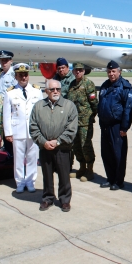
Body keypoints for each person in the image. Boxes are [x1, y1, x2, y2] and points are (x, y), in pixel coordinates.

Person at [29, 79, 78, 212]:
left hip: (62, 148)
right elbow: (33, 127)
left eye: (58, 89)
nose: (55, 91)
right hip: (45, 148)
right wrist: (43, 142)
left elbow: (72, 128)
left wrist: (58, 141)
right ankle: (47, 198)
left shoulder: (69, 106)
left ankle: (65, 200)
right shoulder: (39, 106)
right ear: (46, 91)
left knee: (64, 176)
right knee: (47, 175)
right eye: (52, 89)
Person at [3, 63, 43, 193]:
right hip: (17, 130)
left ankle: (31, 181)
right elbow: (6, 115)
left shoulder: (37, 91)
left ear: (28, 75)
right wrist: (8, 132)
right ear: (16, 76)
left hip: (33, 131)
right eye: (20, 75)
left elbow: (40, 113)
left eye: (25, 75)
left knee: (32, 157)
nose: (23, 77)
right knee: (18, 158)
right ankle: (20, 182)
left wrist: (41, 130)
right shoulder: (10, 93)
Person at [98, 60, 132, 190]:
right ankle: (110, 178)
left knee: (118, 154)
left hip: (117, 126)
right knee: (106, 154)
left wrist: (125, 127)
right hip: (105, 126)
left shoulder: (125, 87)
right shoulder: (104, 86)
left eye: (113, 71)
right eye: (109, 72)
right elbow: (101, 105)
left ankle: (119, 181)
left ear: (119, 72)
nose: (111, 74)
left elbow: (129, 108)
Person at [68, 62, 98, 182]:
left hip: (85, 122)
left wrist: (91, 117)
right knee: (76, 146)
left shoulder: (88, 84)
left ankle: (90, 169)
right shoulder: (72, 84)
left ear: (84, 71)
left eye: (80, 70)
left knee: (86, 145)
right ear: (73, 71)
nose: (78, 72)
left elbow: (94, 103)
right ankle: (82, 167)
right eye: (76, 70)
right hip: (74, 122)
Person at [0, 50, 17, 161]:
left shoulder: (13, 74)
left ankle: (13, 156)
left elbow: (15, 93)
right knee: (5, 133)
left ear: (11, 61)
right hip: (2, 109)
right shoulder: (2, 75)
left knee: (11, 134)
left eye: (6, 60)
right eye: (2, 60)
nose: (4, 63)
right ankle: (9, 154)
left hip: (10, 109)